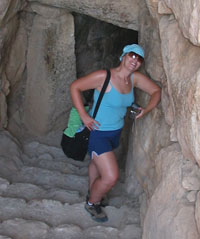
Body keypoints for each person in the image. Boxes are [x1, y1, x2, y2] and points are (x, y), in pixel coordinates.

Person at [70, 44, 161, 222]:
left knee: (97, 164)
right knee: (111, 176)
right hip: (97, 133)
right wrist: (83, 115)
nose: (135, 60)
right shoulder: (104, 77)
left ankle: (93, 188)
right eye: (132, 56)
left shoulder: (133, 79)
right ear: (123, 56)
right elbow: (75, 87)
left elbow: (156, 91)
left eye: (139, 58)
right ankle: (92, 203)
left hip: (115, 132)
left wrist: (147, 110)